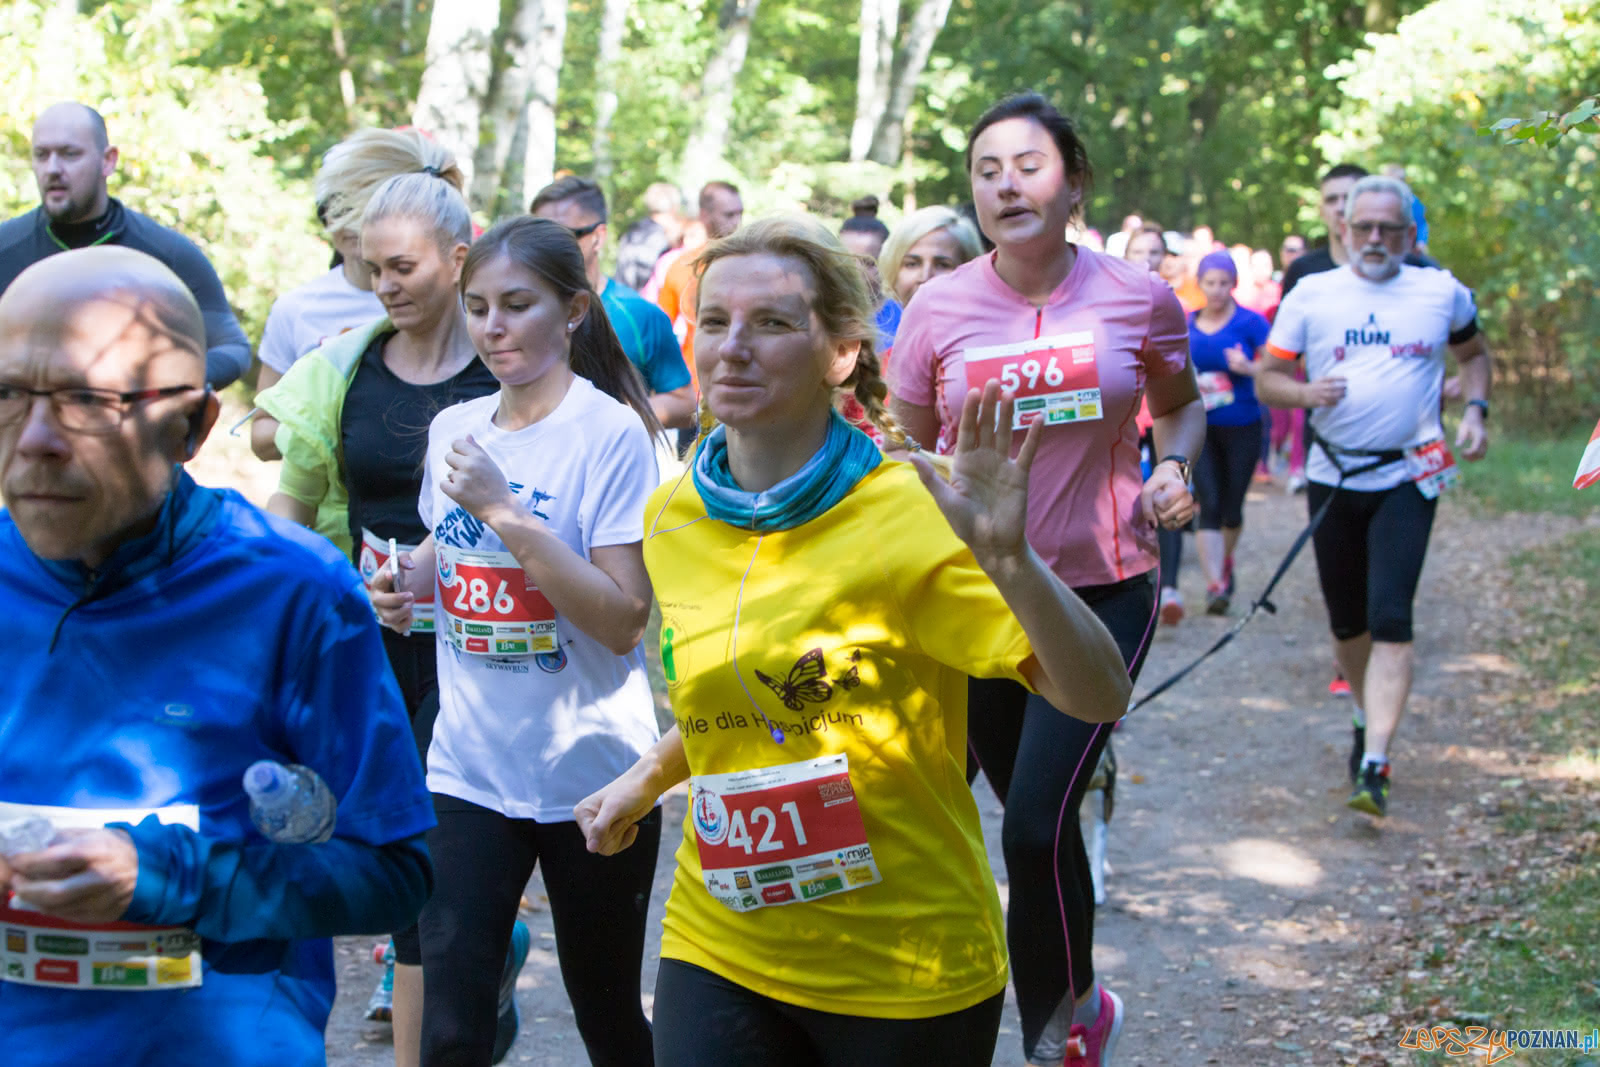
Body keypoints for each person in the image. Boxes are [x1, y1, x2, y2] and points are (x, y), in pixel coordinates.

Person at [574, 214, 1132, 1066]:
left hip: (905, 966)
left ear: (841, 355)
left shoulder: (911, 511)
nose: (732, 347)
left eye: (772, 323)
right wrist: (645, 778)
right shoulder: (673, 513)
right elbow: (746, 699)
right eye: (715, 321)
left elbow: (1098, 695)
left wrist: (1012, 560)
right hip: (721, 937)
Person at [0, 246, 433, 1062]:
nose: (34, 439)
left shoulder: (297, 594)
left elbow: (395, 871)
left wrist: (171, 878)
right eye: (5, 394)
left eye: (87, 401)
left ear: (193, 424)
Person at [889, 93, 1205, 1067]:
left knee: (1030, 824)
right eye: (986, 169)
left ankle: (1056, 1031)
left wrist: (1173, 468)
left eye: (1026, 164)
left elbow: (1179, 407)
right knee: (1037, 814)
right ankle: (1073, 996)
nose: (1004, 183)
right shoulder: (938, 308)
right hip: (975, 596)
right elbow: (899, 446)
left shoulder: (1135, 294)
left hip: (1100, 587)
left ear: (1071, 179)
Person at [371, 216, 665, 1066]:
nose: (493, 326)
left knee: (606, 1014)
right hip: (468, 769)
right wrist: (404, 585)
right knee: (450, 1028)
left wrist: (508, 511)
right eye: (478, 307)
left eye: (517, 305)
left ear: (573, 310)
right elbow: (447, 548)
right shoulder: (454, 428)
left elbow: (620, 616)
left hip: (593, 777)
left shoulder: (610, 434)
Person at [255, 159, 506, 1059]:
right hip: (370, 645)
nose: (380, 284)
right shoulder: (343, 369)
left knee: (433, 887)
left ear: (458, 258)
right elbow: (289, 511)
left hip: (488, 653)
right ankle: (475, 973)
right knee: (386, 863)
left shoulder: (507, 370)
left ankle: (444, 1010)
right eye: (369, 266)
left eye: (400, 266)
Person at [1258, 175, 1490, 817]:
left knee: (1391, 617)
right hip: (1334, 478)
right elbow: (1268, 382)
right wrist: (1307, 396)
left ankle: (1376, 763)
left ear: (1410, 235)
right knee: (1347, 621)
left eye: (1391, 228)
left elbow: (1474, 355)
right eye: (1365, 227)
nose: (1376, 239)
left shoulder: (1441, 291)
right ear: (1345, 227)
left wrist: (1476, 410)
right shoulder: (1313, 294)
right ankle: (1364, 716)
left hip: (1410, 476)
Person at [1279, 163, 1436, 698]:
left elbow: (1449, 345)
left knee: (1388, 606)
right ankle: (1351, 656)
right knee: (1346, 599)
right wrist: (1304, 394)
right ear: (1332, 216)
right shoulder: (1306, 276)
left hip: (1408, 465)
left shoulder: (1425, 277)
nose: (1344, 211)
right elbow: (1280, 362)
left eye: (1352, 198)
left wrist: (1468, 398)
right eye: (1334, 201)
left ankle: (1374, 736)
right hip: (1331, 452)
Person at [0, 102, 251, 389]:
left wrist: (161, 387)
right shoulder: (5, 248)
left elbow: (232, 348)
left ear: (108, 160)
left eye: (70, 154)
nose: (53, 169)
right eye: (42, 155)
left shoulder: (167, 254)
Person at [251, 128, 439, 461]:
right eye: (333, 208)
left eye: (363, 209)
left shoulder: (444, 303)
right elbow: (261, 436)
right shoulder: (297, 308)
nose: (347, 224)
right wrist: (328, 428)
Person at [531, 176, 695, 429]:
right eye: (537, 235)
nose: (545, 247)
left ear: (598, 237)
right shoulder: (514, 312)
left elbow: (684, 404)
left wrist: (606, 416)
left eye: (561, 235)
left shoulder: (638, 314)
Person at [1187, 250, 1271, 614]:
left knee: (1232, 510)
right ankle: (1215, 586)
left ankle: (1224, 560)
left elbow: (1275, 368)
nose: (1218, 290)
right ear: (1200, 285)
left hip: (1242, 425)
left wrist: (1249, 367)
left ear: (1234, 284)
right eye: (1211, 283)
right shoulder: (1185, 323)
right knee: (1209, 502)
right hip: (1200, 428)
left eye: (1224, 283)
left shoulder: (1251, 323)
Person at [1122, 227, 1187, 623]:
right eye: (1139, 251)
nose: (1147, 258)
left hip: (1159, 424)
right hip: (1125, 426)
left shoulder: (1169, 301)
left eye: (1155, 252)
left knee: (1166, 498)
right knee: (1132, 502)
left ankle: (1171, 586)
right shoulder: (1101, 303)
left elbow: (1182, 383)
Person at [656, 181, 744, 372]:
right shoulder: (683, 267)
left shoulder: (755, 266)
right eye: (729, 215)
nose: (737, 222)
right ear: (705, 216)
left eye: (740, 213)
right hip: (697, 383)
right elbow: (660, 330)